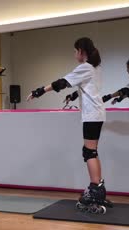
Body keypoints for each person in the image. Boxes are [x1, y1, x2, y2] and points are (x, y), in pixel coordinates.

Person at [27, 37, 112, 214]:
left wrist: (39, 91)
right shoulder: (95, 68)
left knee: (89, 152)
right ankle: (99, 188)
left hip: (91, 115)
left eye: (75, 51)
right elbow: (86, 87)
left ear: (82, 51)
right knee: (91, 151)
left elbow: (62, 83)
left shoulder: (85, 67)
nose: (74, 54)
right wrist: (73, 97)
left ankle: (95, 190)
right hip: (96, 114)